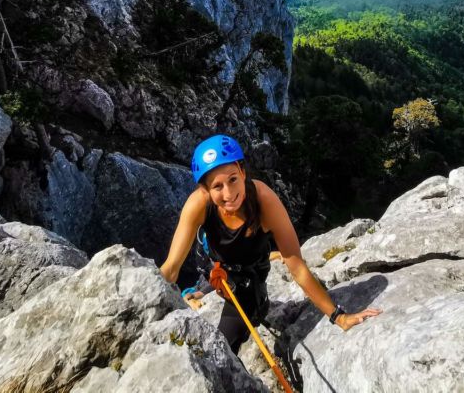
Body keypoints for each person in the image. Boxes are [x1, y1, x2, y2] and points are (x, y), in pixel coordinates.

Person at [160, 134, 381, 354]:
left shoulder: (264, 201)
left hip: (248, 279)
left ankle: (258, 302)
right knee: (203, 288)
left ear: (243, 172)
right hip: (213, 266)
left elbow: (297, 267)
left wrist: (338, 316)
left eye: (233, 179)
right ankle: (202, 290)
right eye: (217, 187)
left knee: (222, 349)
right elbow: (171, 267)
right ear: (205, 190)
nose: (229, 193)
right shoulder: (198, 204)